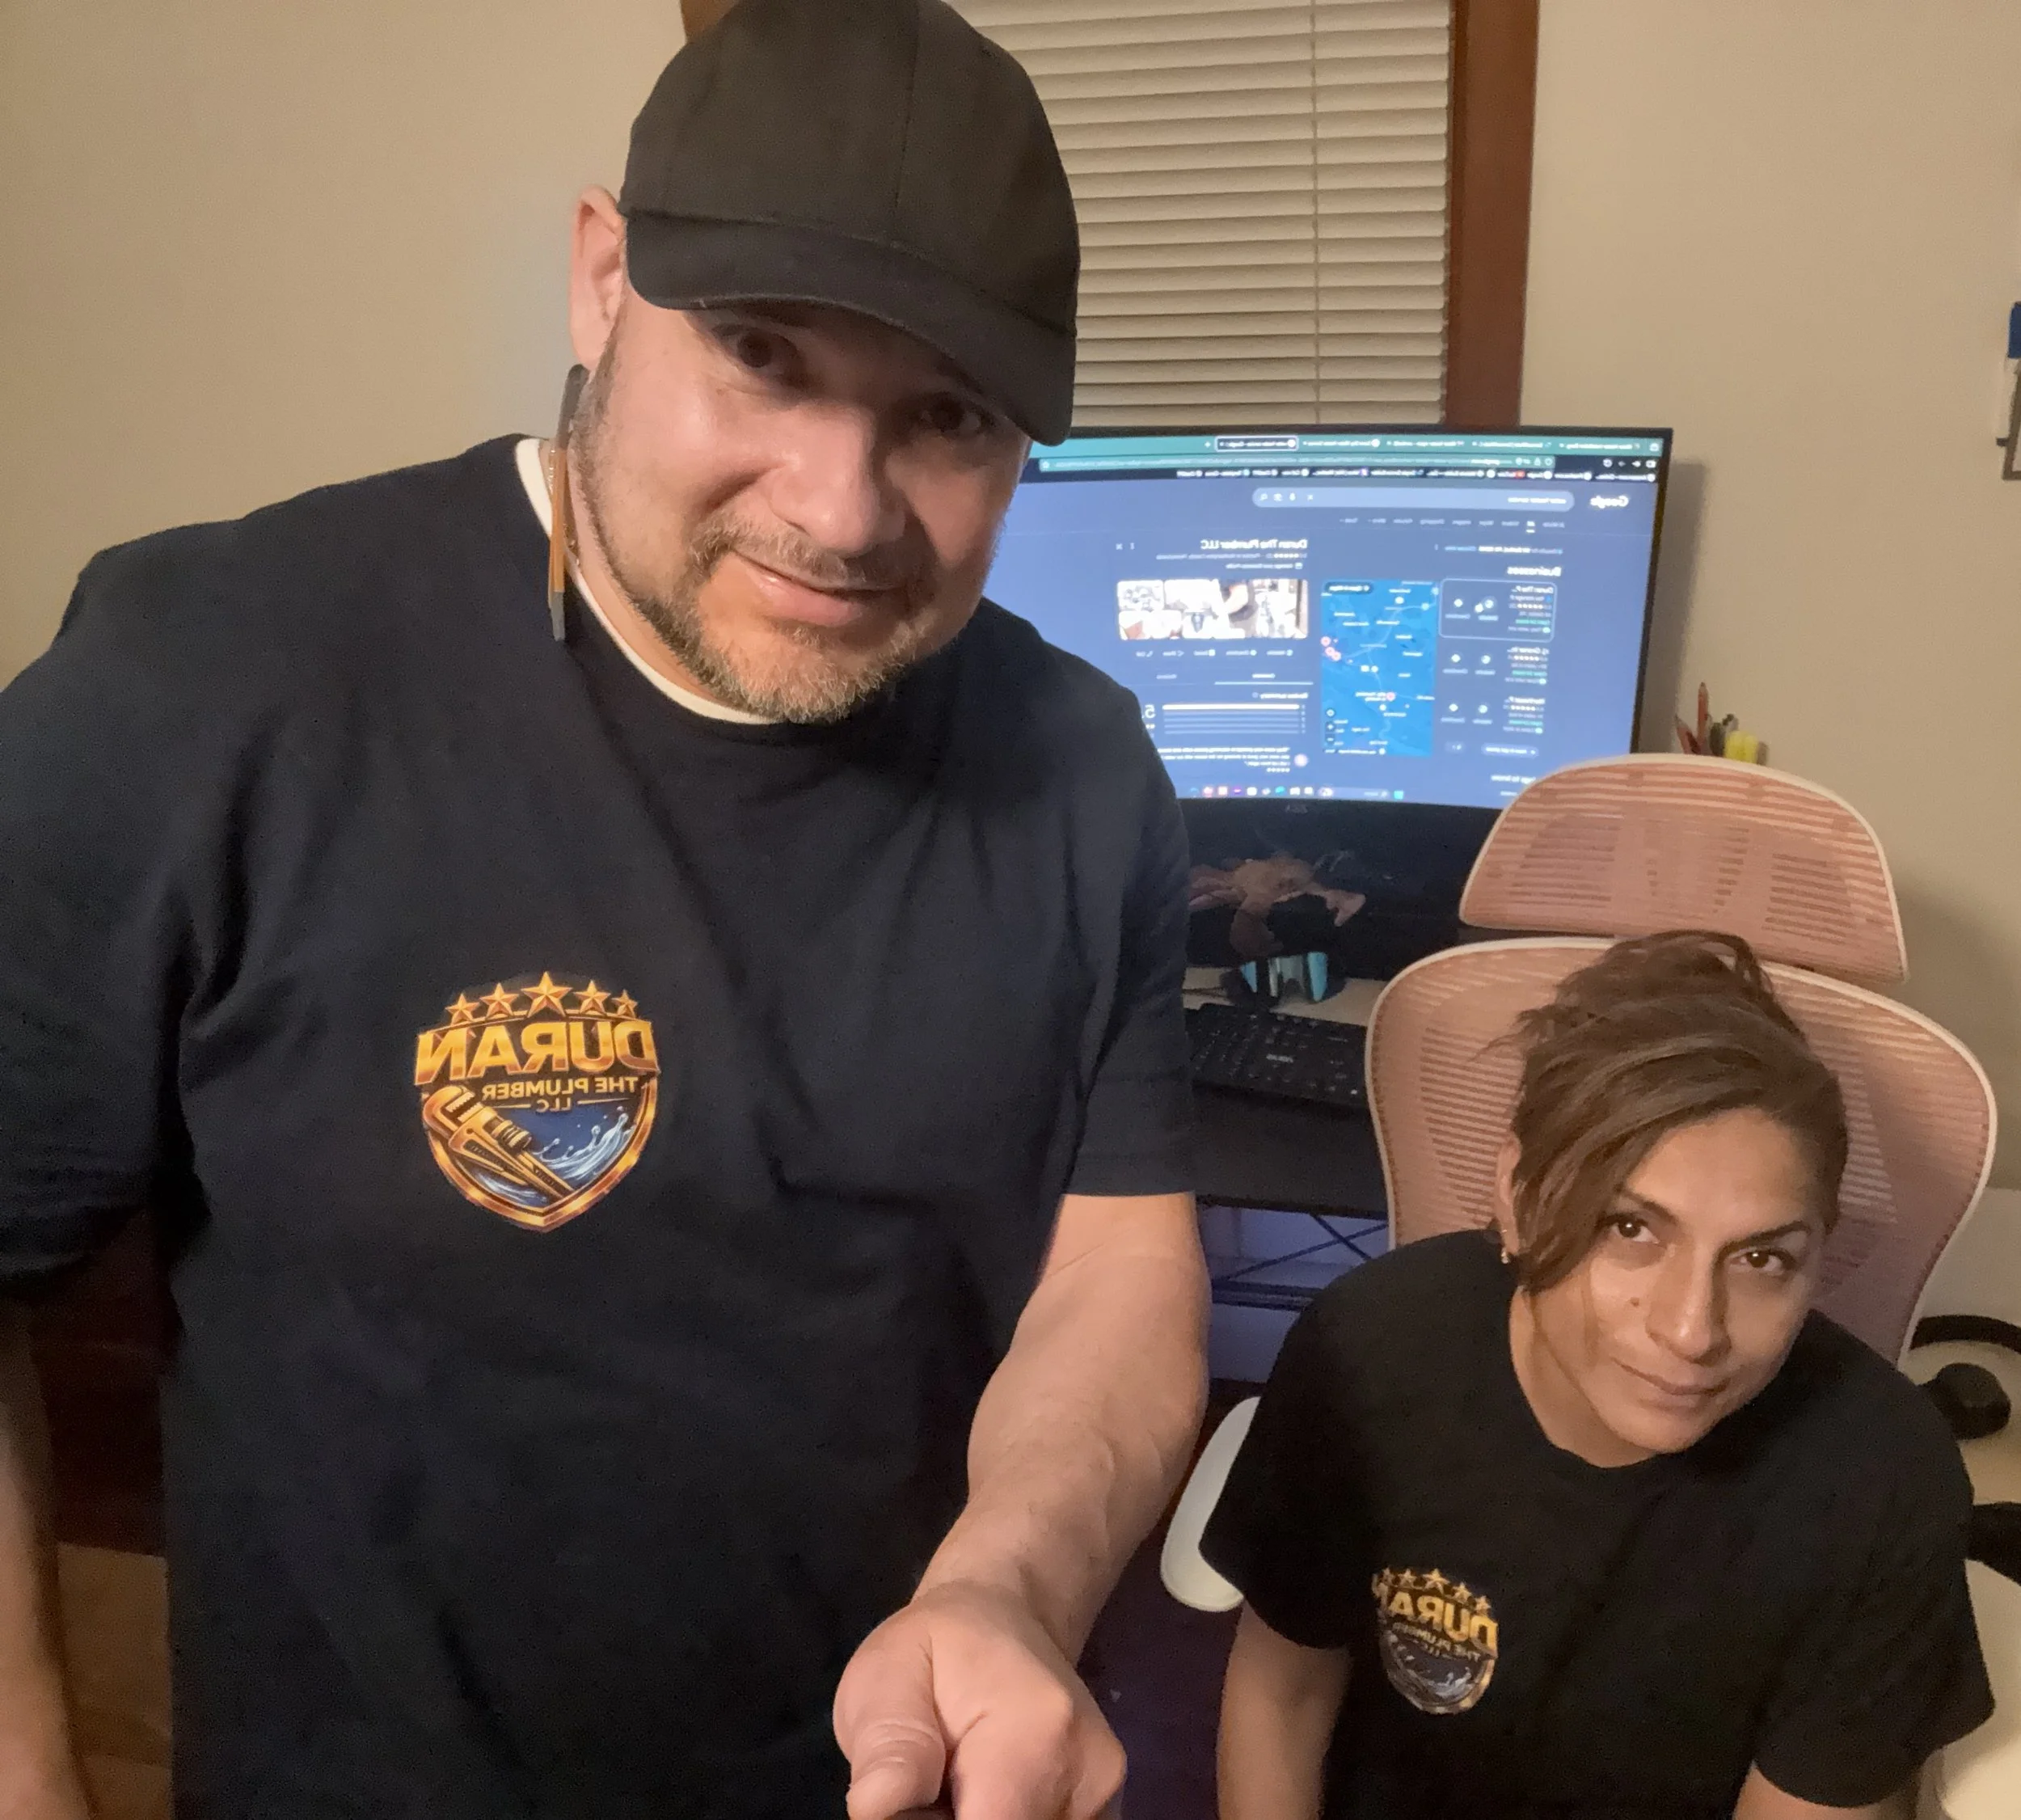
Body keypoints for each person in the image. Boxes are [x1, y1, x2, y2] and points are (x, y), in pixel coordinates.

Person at [0, 3, 1210, 1817]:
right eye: (762, 357)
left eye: (947, 416)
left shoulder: (1084, 768)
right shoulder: (205, 684)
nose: (840, 509)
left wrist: (1006, 1585)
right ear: (599, 280)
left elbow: (1115, 1269)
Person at [1205, 931, 1991, 1820]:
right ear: (1520, 1196)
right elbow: (1283, 1694)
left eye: (1762, 1257)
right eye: (1629, 1228)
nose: (1691, 1330)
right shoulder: (1368, 1351)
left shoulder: (1880, 1484)